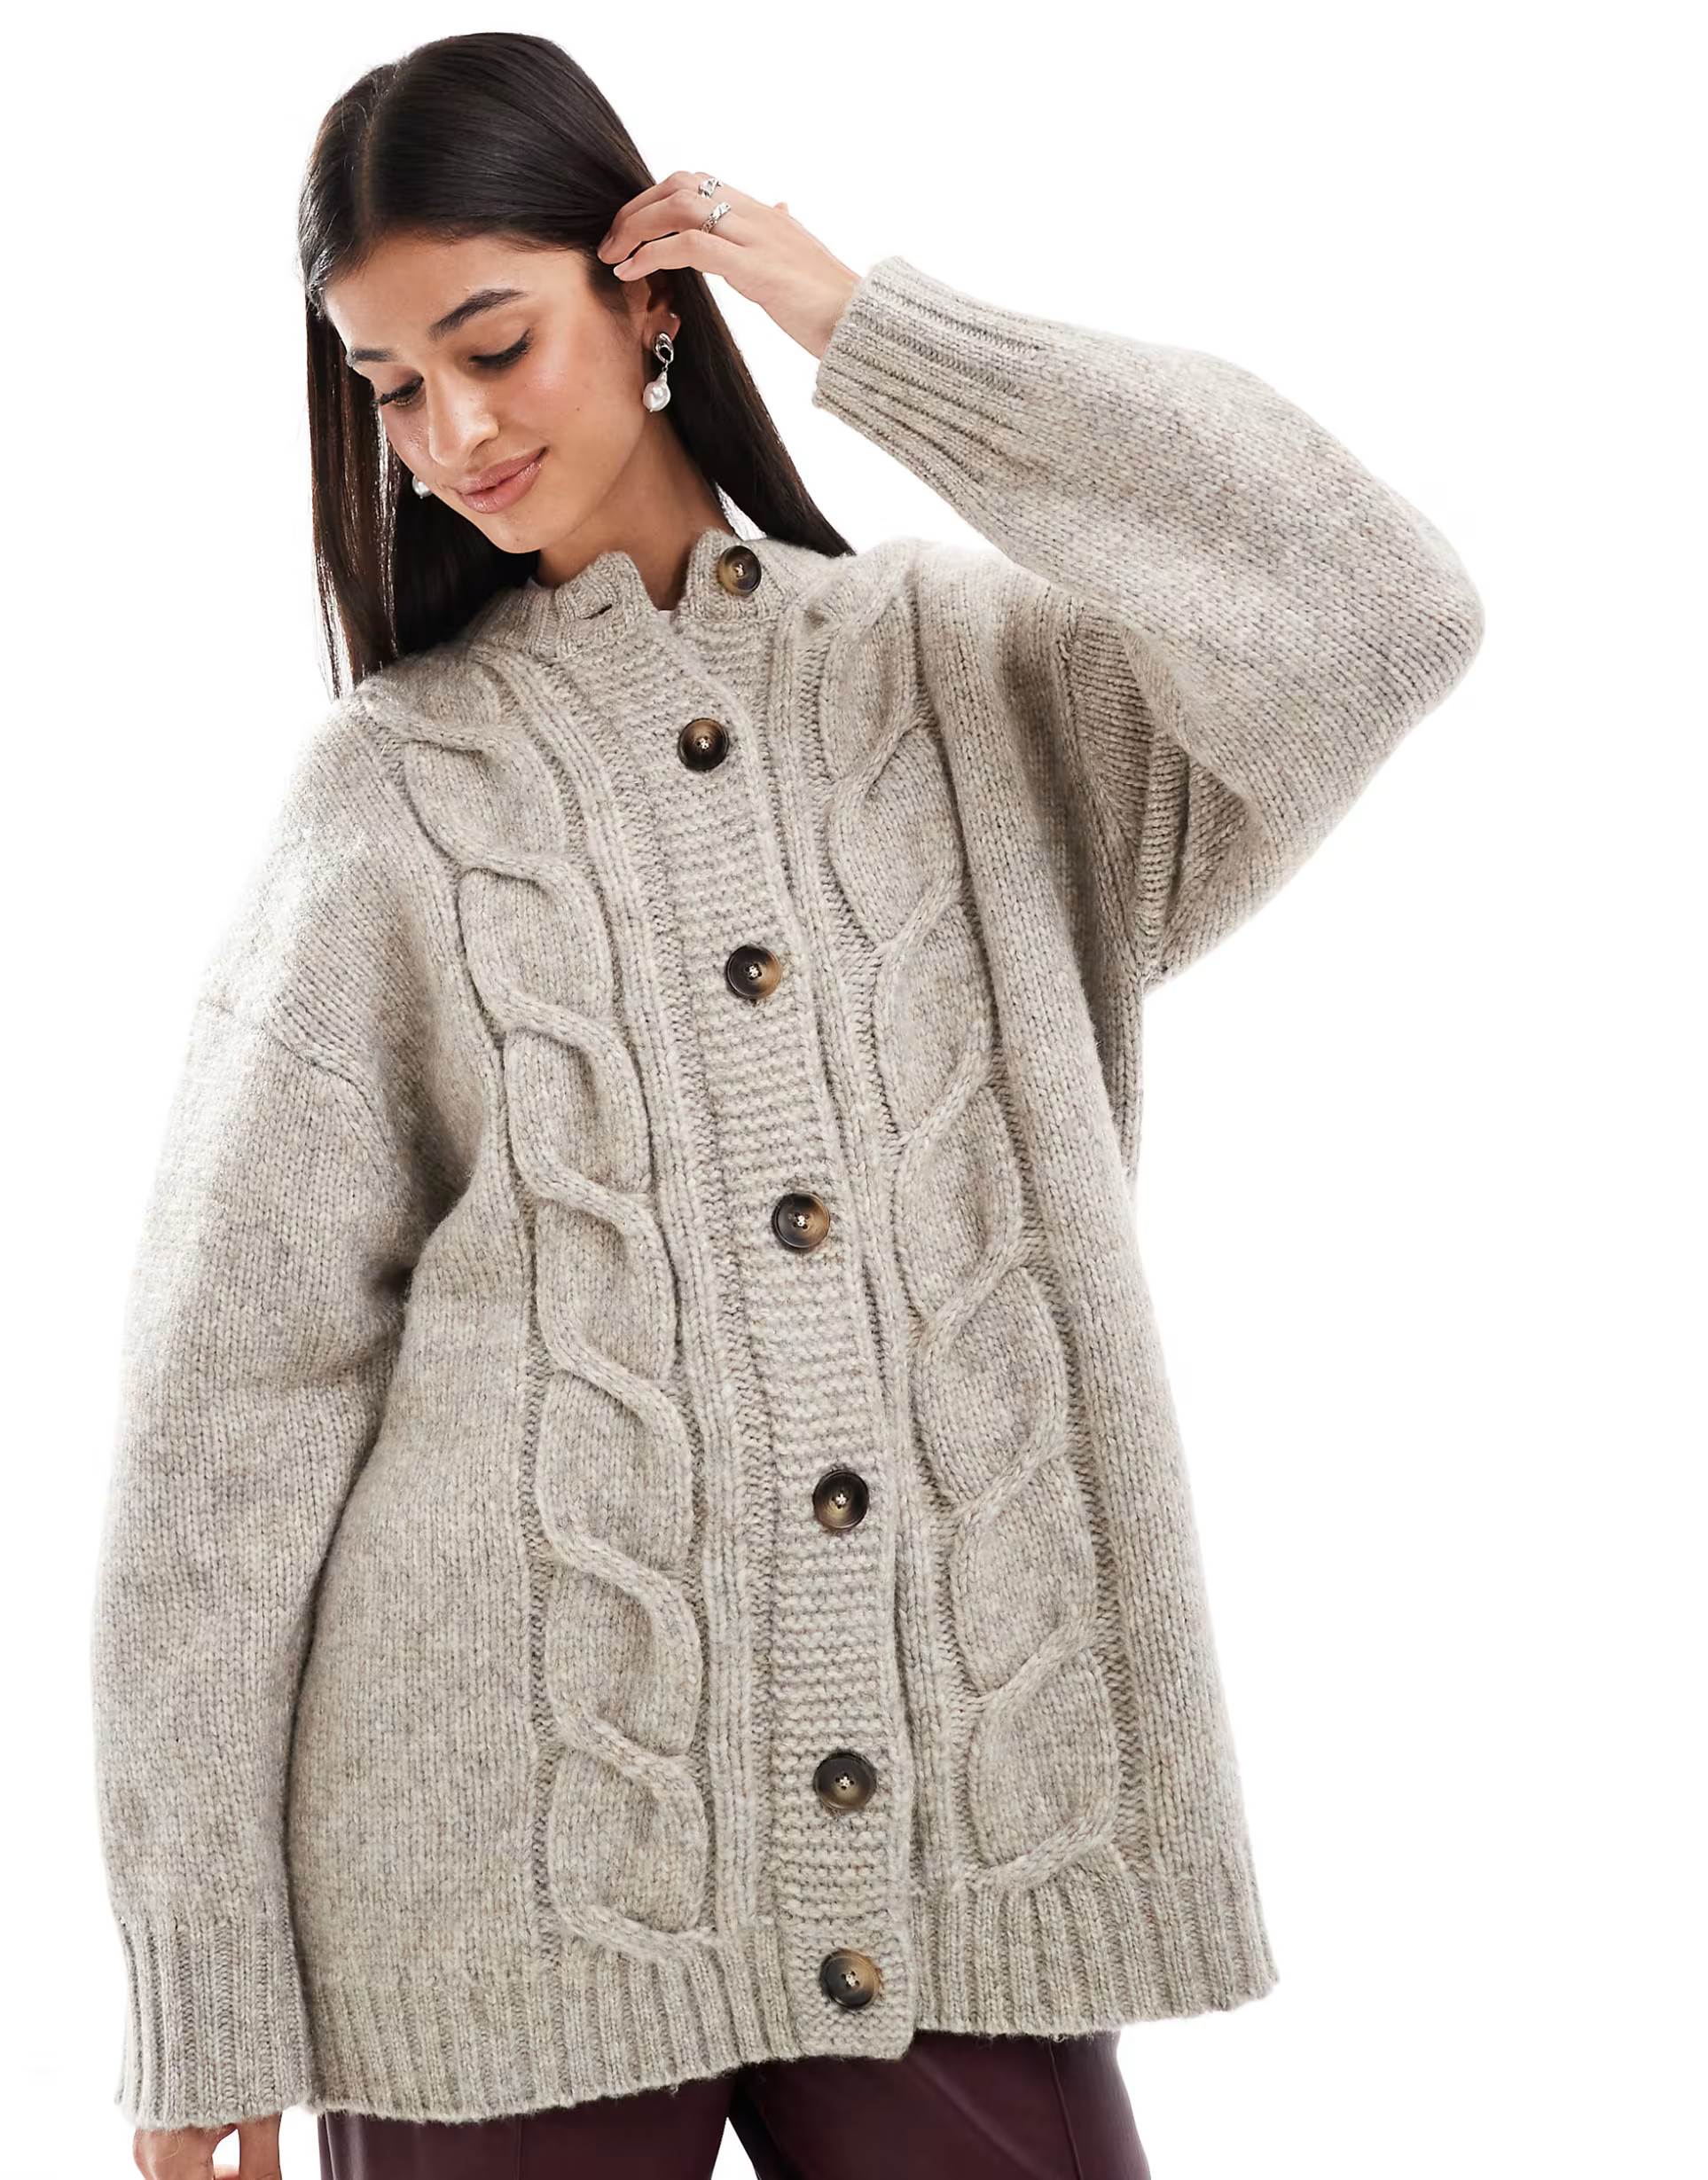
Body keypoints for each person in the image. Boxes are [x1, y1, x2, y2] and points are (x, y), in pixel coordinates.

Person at [89, 28, 1484, 2180]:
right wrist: (202, 1986)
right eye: (389, 386)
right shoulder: (391, 805)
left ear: (649, 296)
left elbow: (1375, 610)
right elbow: (228, 1420)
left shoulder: (992, 689)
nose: (453, 433)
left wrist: (868, 325)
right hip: (500, 1877)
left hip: (965, 1831)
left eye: (494, 344)